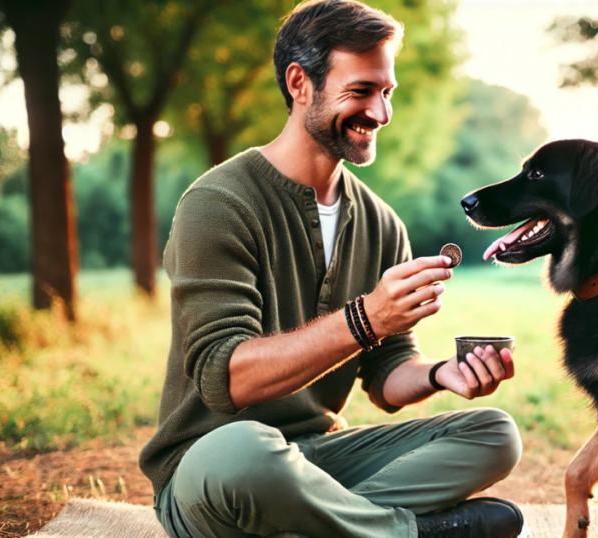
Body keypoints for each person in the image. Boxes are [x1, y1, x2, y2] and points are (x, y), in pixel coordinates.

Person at [138, 1, 526, 537]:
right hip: (212, 469)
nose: (381, 114)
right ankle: (411, 532)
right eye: (361, 91)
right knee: (243, 450)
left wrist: (441, 374)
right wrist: (366, 318)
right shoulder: (217, 203)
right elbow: (224, 378)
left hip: (319, 459)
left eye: (386, 93)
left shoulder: (382, 224)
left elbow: (387, 374)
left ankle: (329, 527)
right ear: (300, 83)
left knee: (494, 434)